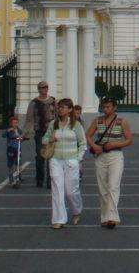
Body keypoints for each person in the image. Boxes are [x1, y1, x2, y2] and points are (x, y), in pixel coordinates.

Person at [86, 96, 133, 229]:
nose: (105, 109)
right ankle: (105, 217)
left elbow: (129, 140)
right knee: (103, 188)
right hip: (100, 156)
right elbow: (88, 135)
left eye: (108, 107)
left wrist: (114, 144)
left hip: (116, 156)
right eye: (104, 107)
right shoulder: (97, 121)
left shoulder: (122, 122)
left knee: (113, 186)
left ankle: (112, 217)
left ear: (114, 107)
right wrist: (94, 146)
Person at [45, 97, 86, 229]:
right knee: (57, 189)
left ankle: (76, 211)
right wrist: (49, 140)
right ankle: (59, 219)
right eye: (59, 107)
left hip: (71, 160)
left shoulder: (76, 125)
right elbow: (44, 139)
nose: (60, 109)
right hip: (55, 160)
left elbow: (83, 143)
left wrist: (78, 159)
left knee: (71, 191)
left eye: (63, 107)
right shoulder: (53, 124)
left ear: (69, 110)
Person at [24, 81, 56, 189]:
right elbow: (29, 119)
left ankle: (50, 181)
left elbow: (57, 117)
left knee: (50, 157)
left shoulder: (53, 101)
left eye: (46, 87)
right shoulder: (34, 103)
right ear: (39, 89)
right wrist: (25, 133)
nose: (45, 89)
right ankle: (39, 179)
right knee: (40, 156)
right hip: (39, 132)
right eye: (43, 87)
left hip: (51, 132)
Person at [3, 114, 28, 187]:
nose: (15, 124)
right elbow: (3, 135)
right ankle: (11, 175)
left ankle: (19, 175)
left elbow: (23, 135)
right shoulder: (9, 130)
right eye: (14, 123)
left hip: (18, 148)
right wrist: (8, 131)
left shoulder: (18, 129)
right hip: (11, 148)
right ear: (11, 123)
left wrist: (22, 136)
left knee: (19, 162)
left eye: (16, 122)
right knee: (11, 163)